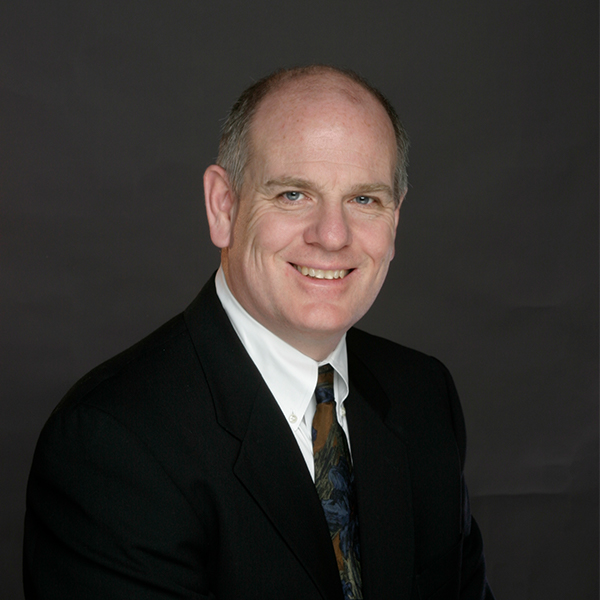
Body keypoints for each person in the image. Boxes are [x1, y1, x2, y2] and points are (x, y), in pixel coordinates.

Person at [23, 65, 494, 599]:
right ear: (224, 206)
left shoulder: (423, 396)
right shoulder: (113, 445)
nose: (332, 236)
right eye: (294, 194)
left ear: (395, 219)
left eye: (365, 199)